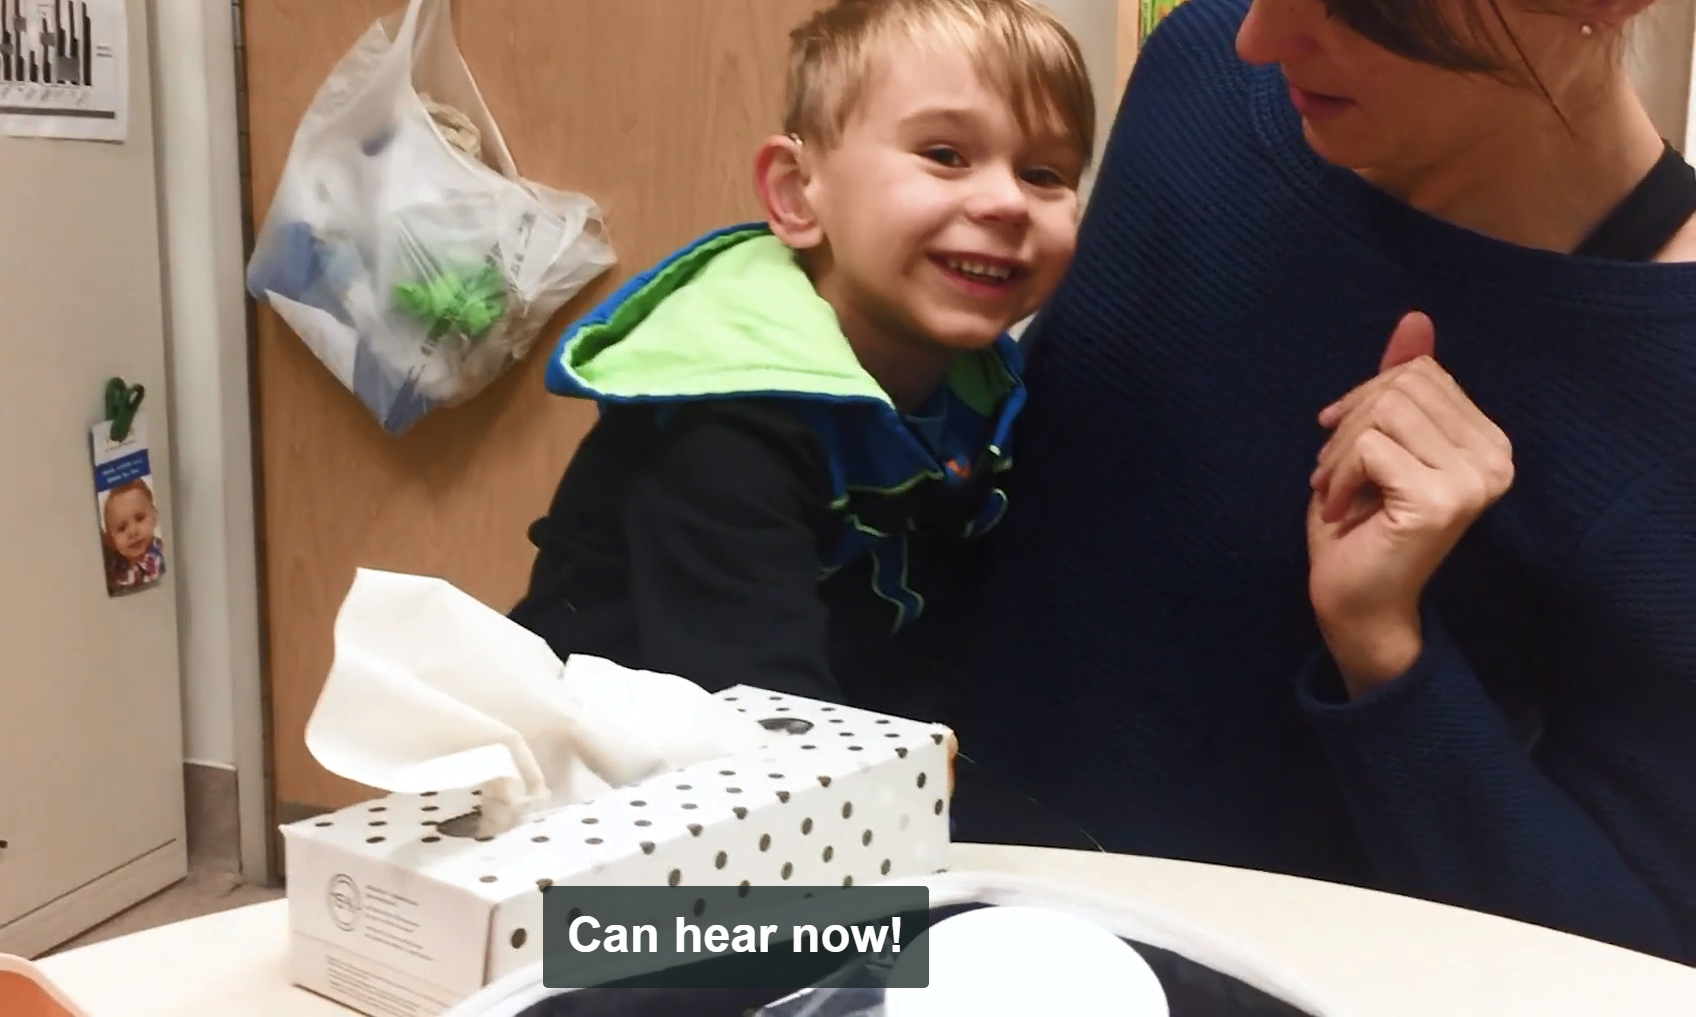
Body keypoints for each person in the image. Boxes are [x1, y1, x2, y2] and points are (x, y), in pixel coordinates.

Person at [957, 0, 1696, 962]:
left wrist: (1386, 652)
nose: (1258, 38)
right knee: (698, 943)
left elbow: (1629, 966)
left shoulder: (1667, 373)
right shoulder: (1205, 79)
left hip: (1231, 978)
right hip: (919, 900)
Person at [509, 0, 1095, 840]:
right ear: (796, 194)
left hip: (815, 772)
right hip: (605, 809)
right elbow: (754, 713)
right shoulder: (725, 422)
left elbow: (942, 647)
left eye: (1046, 174)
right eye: (944, 154)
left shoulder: (974, 390)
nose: (1005, 200)